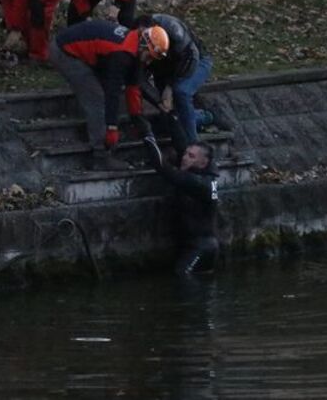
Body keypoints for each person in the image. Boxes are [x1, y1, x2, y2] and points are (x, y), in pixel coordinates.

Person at [50, 19, 162, 170]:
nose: (149, 62)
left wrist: (137, 116)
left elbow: (133, 86)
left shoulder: (135, 44)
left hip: (85, 47)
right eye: (149, 56)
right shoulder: (121, 54)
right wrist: (111, 128)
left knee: (99, 94)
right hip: (66, 52)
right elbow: (112, 92)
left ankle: (98, 134)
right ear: (144, 46)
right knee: (97, 100)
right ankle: (100, 156)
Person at [143, 115, 219, 276]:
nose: (184, 158)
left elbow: (163, 168)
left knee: (183, 277)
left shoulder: (198, 183)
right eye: (186, 154)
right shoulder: (204, 172)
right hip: (194, 244)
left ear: (203, 163)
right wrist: (169, 116)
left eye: (190, 157)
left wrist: (148, 135)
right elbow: (181, 143)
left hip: (200, 247)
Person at [136, 14, 222, 143]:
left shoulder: (174, 30)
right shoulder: (134, 39)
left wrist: (170, 86)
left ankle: (193, 144)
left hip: (196, 60)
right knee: (168, 114)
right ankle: (203, 117)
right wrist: (158, 101)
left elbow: (191, 58)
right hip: (164, 69)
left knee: (181, 91)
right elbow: (138, 78)